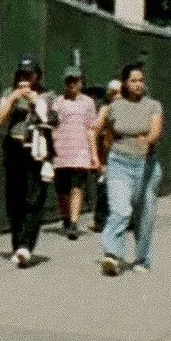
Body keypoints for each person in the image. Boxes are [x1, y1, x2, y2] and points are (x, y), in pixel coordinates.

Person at [98, 63, 163, 277]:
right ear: (125, 83)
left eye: (141, 81)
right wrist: (104, 160)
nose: (138, 85)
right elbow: (106, 134)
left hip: (146, 165)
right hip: (119, 163)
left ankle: (142, 259)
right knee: (121, 210)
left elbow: (156, 129)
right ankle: (112, 254)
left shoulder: (153, 105)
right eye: (133, 80)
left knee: (145, 215)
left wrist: (148, 139)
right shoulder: (115, 107)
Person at [0, 57, 53, 267]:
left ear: (37, 76)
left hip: (35, 150)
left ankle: (26, 245)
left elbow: (51, 120)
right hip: (13, 148)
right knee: (14, 198)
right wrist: (12, 99)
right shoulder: (9, 93)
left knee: (33, 197)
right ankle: (17, 244)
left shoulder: (47, 95)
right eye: (21, 75)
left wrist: (34, 100)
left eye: (29, 75)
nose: (24, 80)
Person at [49, 66, 101, 238]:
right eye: (69, 81)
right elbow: (52, 127)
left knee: (77, 186)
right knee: (62, 190)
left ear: (81, 82)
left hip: (80, 152)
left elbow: (91, 129)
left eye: (75, 80)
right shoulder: (57, 103)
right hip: (61, 152)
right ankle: (66, 216)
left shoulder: (88, 103)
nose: (72, 84)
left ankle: (73, 223)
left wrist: (94, 155)